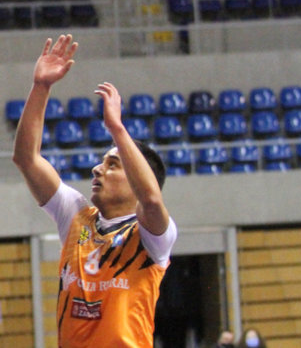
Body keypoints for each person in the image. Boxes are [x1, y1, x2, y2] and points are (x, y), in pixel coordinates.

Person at [11, 34, 177, 348]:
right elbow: (26, 158)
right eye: (102, 162)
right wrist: (41, 87)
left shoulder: (153, 238)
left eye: (112, 164)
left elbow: (152, 199)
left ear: (136, 176)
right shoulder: (76, 215)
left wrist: (117, 128)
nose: (97, 169)